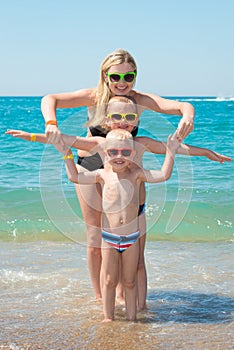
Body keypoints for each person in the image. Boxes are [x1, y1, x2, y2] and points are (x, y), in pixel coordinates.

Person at [6, 95, 231, 309]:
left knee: (139, 264)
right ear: (106, 120)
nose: (123, 123)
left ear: (137, 121)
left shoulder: (141, 143)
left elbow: (175, 148)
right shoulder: (101, 144)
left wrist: (206, 153)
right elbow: (66, 140)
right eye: (117, 117)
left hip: (138, 214)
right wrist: (31, 136)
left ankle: (142, 308)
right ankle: (107, 302)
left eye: (130, 118)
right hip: (113, 219)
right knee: (110, 266)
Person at [40, 49, 196, 304]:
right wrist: (51, 123)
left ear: (135, 76)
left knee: (125, 231)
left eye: (129, 76)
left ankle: (124, 294)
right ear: (105, 75)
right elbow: (50, 98)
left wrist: (187, 117)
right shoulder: (93, 96)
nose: (122, 82)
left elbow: (181, 106)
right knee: (94, 238)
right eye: (116, 76)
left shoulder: (138, 99)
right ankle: (102, 297)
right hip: (90, 165)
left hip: (125, 169)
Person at [56, 128, 181, 321]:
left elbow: (164, 175)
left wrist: (171, 151)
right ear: (105, 153)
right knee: (108, 280)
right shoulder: (102, 175)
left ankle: (132, 319)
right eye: (113, 152)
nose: (119, 157)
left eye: (125, 152)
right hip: (109, 239)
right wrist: (66, 154)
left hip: (131, 239)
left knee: (130, 282)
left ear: (133, 153)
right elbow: (75, 177)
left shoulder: (137, 174)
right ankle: (108, 318)